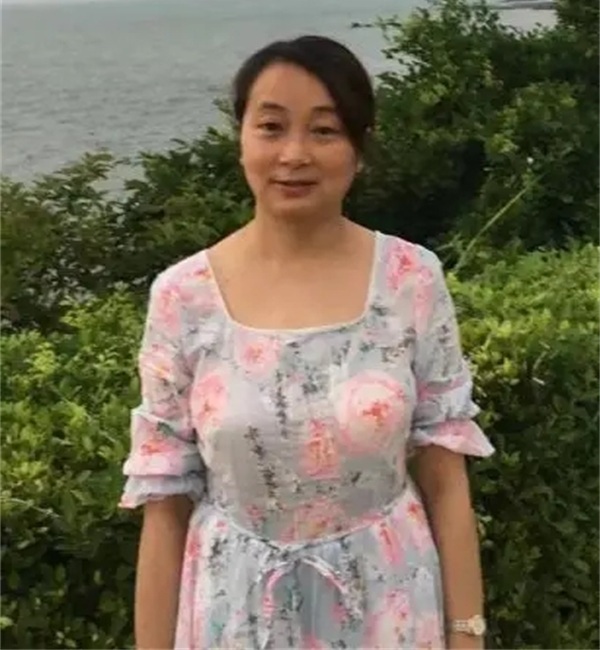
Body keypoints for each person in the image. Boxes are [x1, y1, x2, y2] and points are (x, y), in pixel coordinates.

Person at [120, 35, 494, 650]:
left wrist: (468, 634)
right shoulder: (183, 297)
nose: (294, 154)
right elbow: (164, 504)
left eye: (324, 130)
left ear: (359, 148)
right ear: (241, 138)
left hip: (391, 607)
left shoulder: (410, 279)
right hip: (234, 615)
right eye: (271, 127)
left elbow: (445, 477)